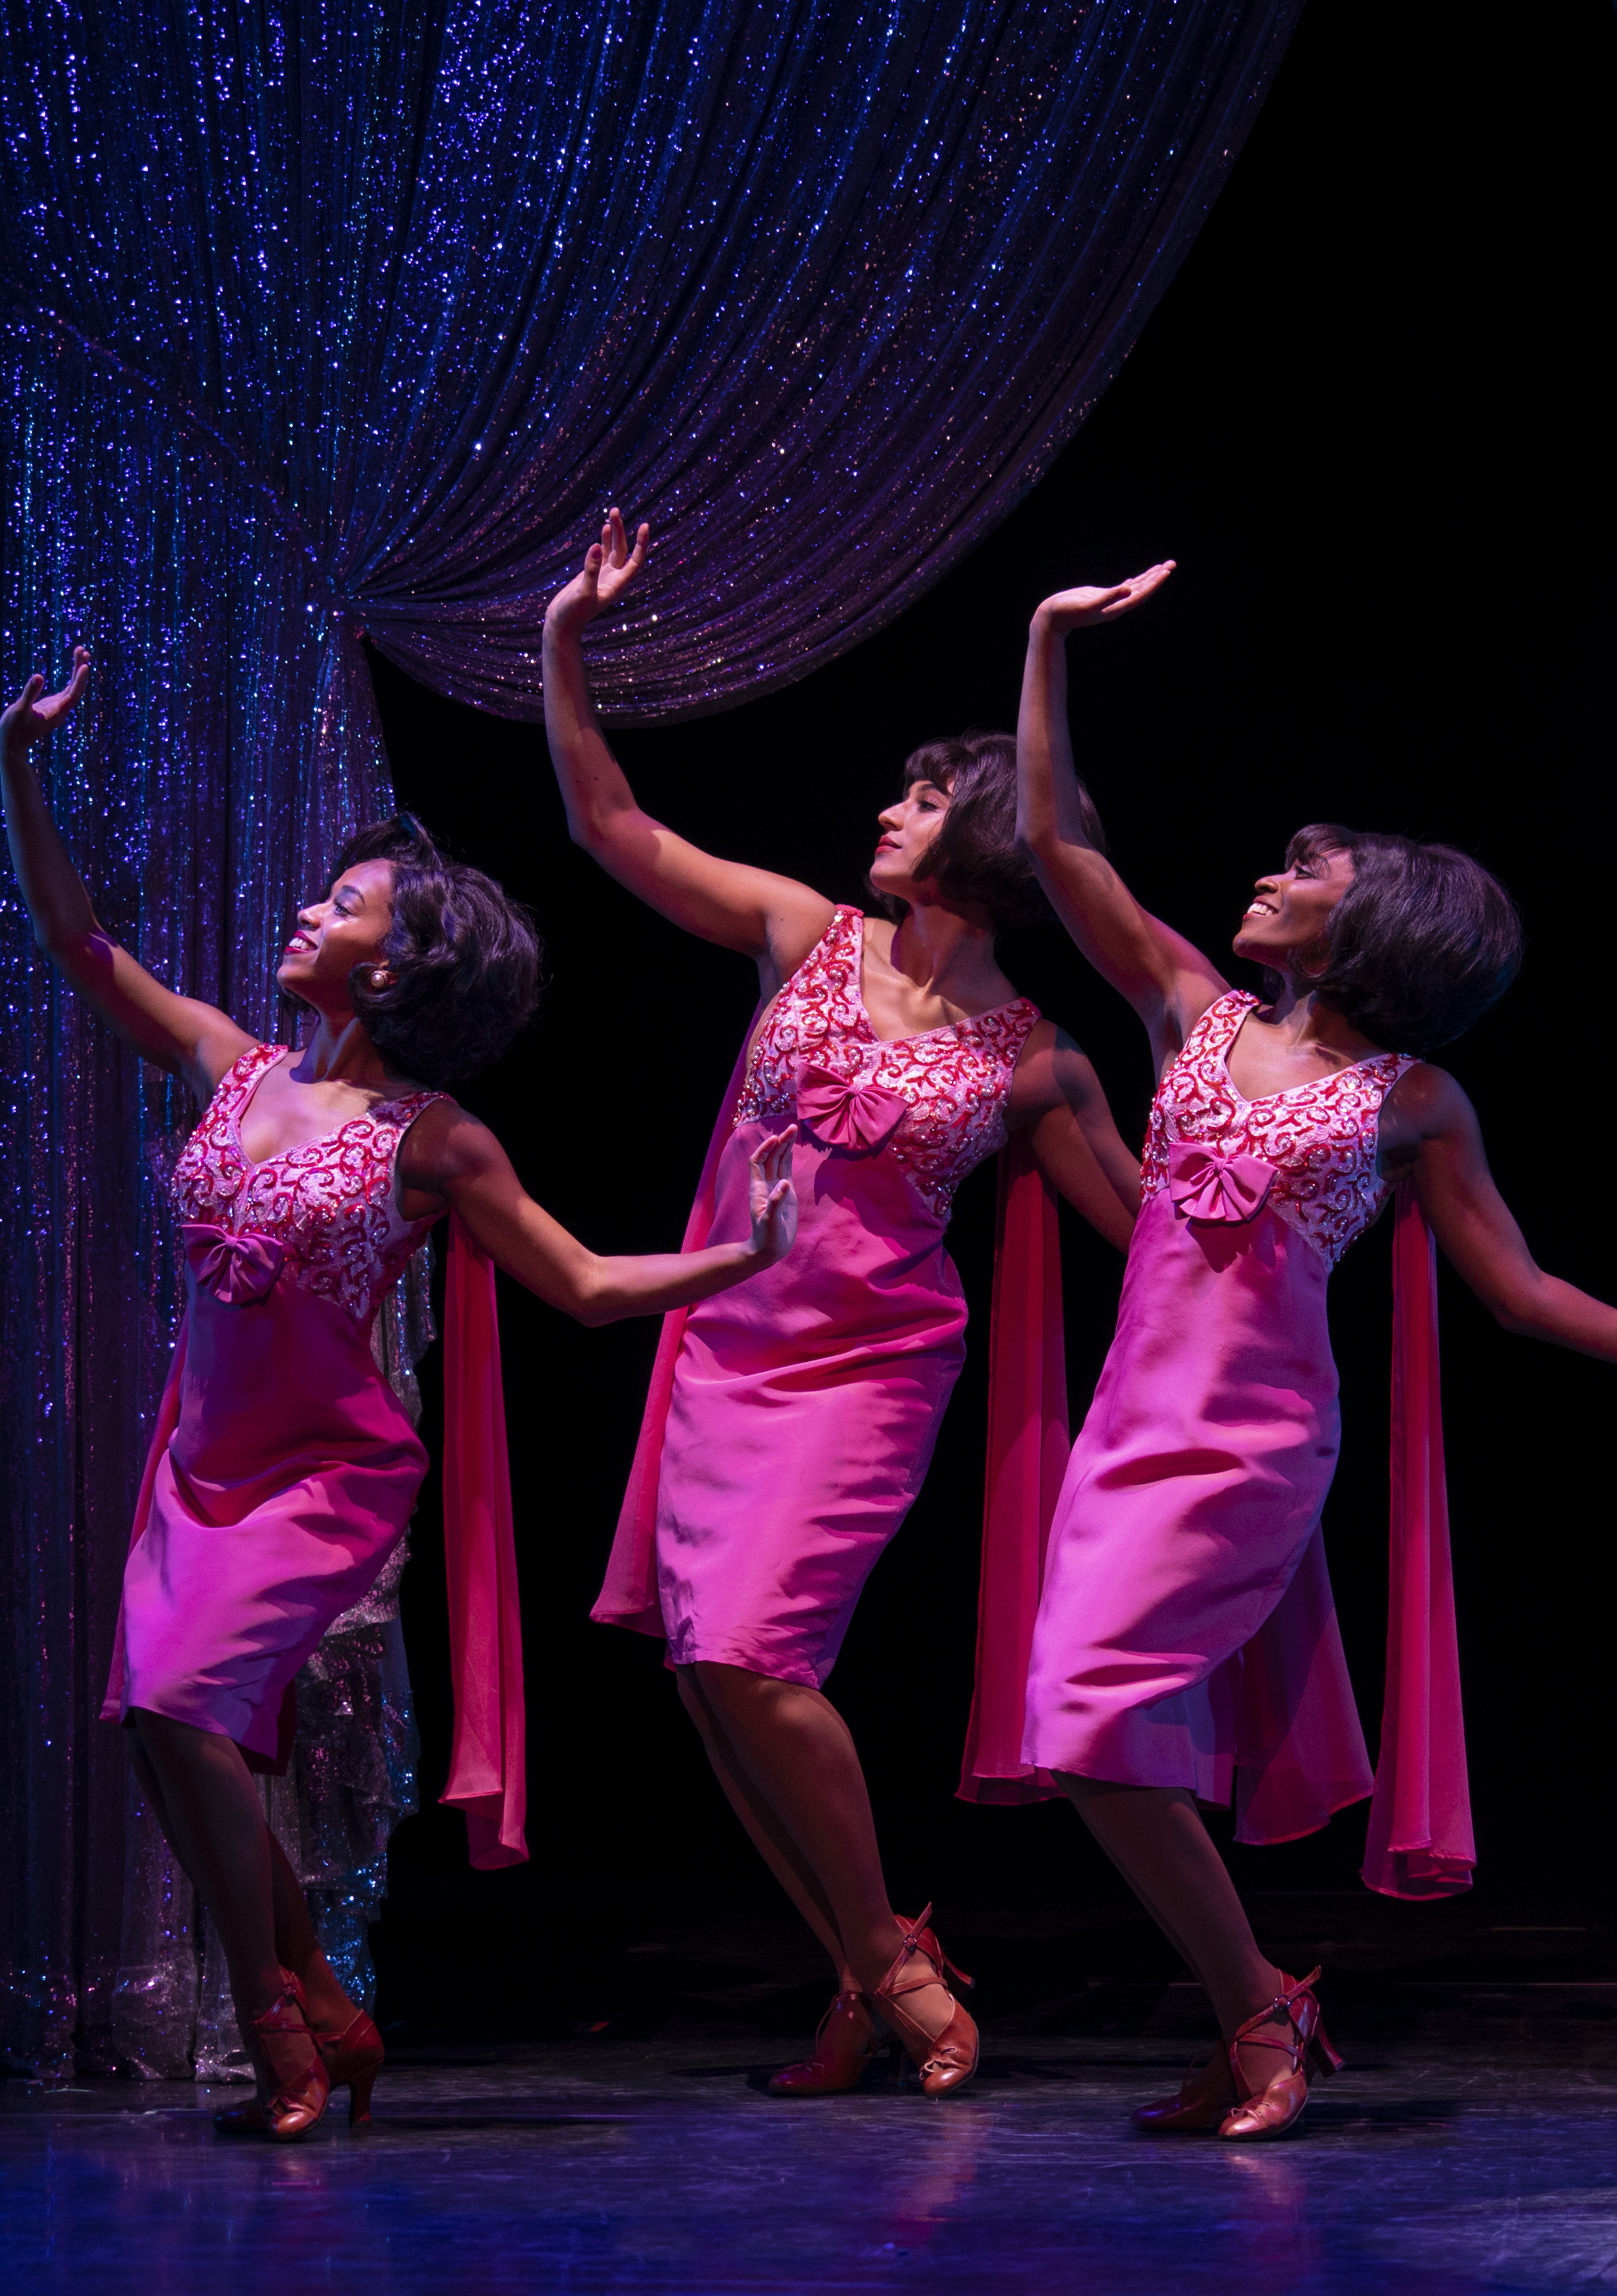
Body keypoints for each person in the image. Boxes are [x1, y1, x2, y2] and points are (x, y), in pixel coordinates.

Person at [1012, 563, 1617, 2139]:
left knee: (1086, 1719)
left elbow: (1518, 1287)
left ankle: (1258, 2010)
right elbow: (1056, 839)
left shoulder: (1414, 1099)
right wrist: (1045, 643)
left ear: (1374, 921)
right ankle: (1258, 2009)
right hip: (1127, 1429)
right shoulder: (1187, 1007)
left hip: (1251, 1444)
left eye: (1309, 872)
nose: (1274, 880)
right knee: (1084, 1730)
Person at [0, 647, 801, 2140]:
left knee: (184, 1706)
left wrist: (748, 1253)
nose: (309, 909)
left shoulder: (437, 1138)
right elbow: (77, 938)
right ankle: (332, 2006)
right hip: (199, 1464)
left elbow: (584, 1286)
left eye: (344, 904)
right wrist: (19, 764)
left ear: (393, 965)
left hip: (322, 1475)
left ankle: (274, 2022)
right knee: (174, 1747)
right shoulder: (228, 1067)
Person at [546, 515, 1143, 2100]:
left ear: (991, 838)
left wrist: (1287, 1131)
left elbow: (1158, 1230)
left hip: (871, 1369)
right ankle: (867, 1975)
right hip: (725, 1353)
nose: (888, 807)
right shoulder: (801, 932)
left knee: (752, 1648)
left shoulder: (1037, 1054)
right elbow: (608, 820)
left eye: (927, 793)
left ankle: (892, 1960)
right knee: (704, 1672)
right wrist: (564, 640)